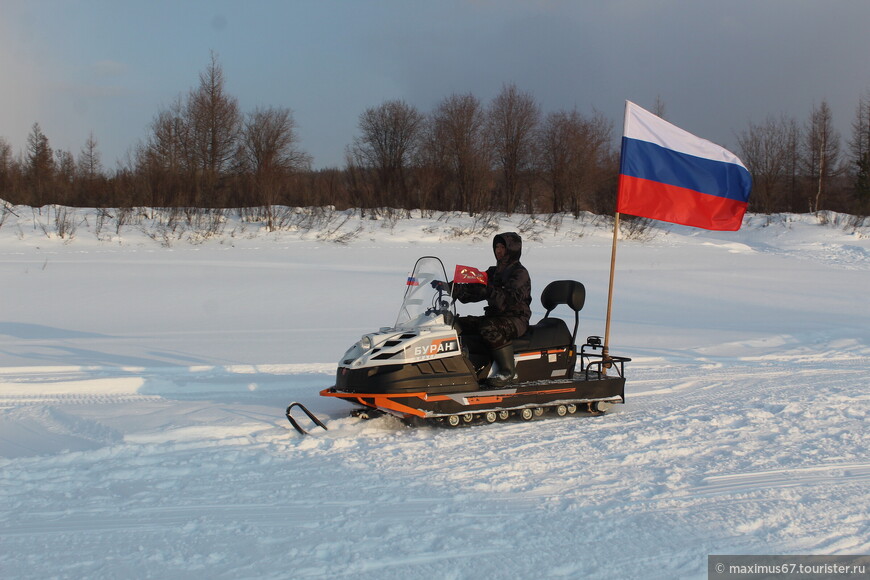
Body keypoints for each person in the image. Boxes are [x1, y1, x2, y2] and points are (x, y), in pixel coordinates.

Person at [435, 232, 531, 387]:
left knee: (488, 327)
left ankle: (508, 371)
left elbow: (507, 300)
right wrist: (454, 288)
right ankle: (462, 367)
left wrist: (488, 290)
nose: (499, 251)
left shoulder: (519, 273)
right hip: (495, 316)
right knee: (458, 323)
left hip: (516, 318)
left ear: (512, 249)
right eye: (496, 247)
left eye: (502, 247)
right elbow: (477, 287)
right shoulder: (493, 272)